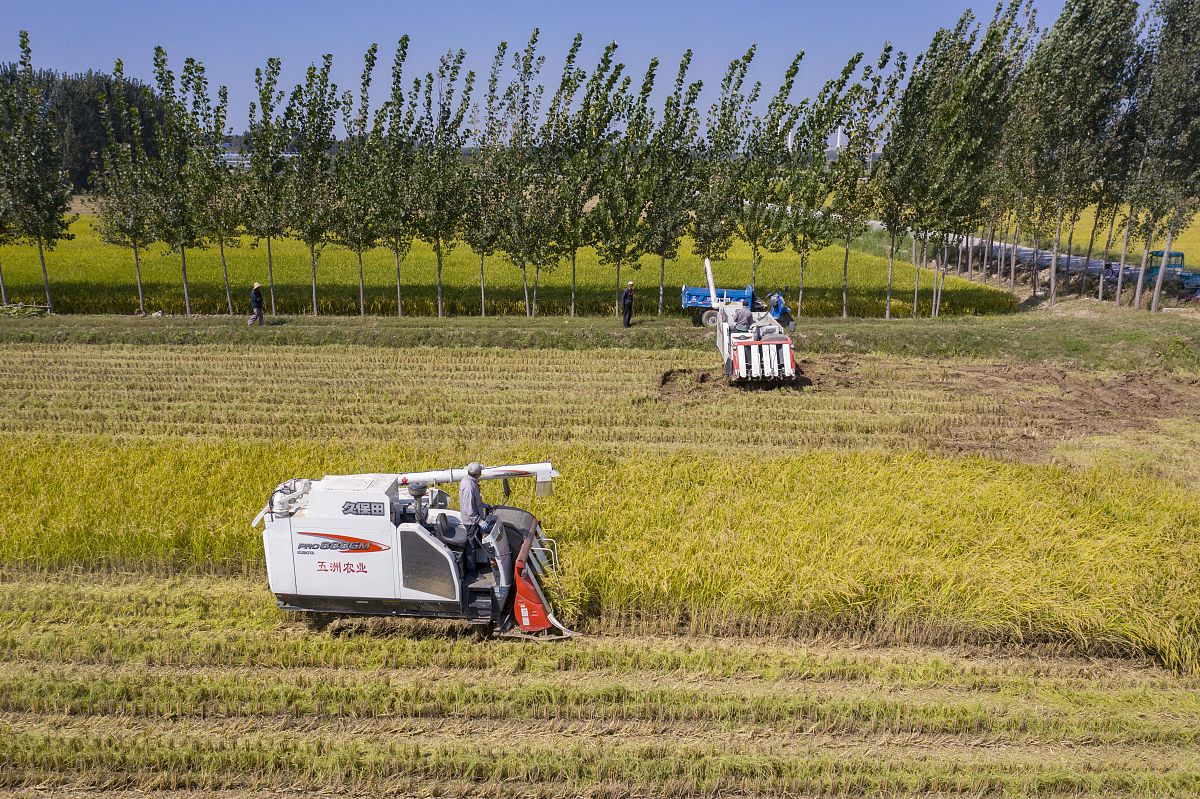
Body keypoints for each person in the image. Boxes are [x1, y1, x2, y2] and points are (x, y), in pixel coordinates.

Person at [458, 462, 486, 577]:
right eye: (480, 471)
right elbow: (469, 509)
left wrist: (484, 505)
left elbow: (475, 501)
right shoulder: (469, 486)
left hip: (473, 519)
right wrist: (479, 521)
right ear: (477, 473)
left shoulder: (469, 481)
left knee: (474, 544)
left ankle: (476, 564)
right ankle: (472, 572)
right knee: (472, 546)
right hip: (471, 521)